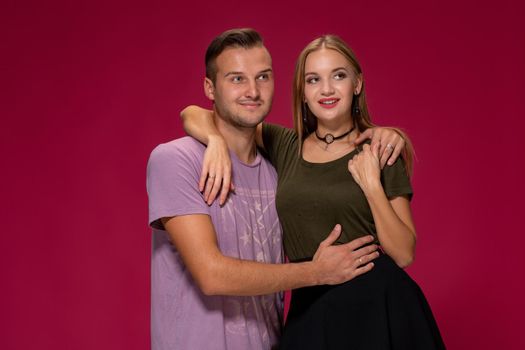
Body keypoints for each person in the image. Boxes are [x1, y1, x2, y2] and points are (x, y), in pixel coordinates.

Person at [147, 29, 405, 350]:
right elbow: (211, 275)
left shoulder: (275, 167)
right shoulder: (176, 160)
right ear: (210, 88)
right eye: (237, 79)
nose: (253, 91)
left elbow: (404, 251)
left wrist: (385, 135)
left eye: (263, 77)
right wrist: (316, 272)